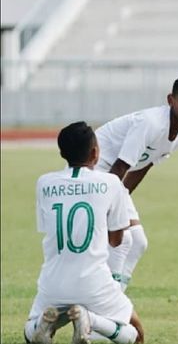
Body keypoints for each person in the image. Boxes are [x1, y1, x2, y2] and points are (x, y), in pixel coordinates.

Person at [24, 121, 145, 344]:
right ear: (95, 152)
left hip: (52, 282)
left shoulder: (44, 183)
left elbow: (47, 229)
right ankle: (91, 320)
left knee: (29, 332)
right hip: (94, 282)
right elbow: (117, 240)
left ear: (61, 152)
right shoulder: (111, 182)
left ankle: (41, 326)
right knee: (136, 333)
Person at [95, 76, 178, 290]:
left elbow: (141, 168)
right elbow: (120, 167)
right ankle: (107, 299)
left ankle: (115, 296)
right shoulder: (151, 123)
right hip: (97, 171)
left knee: (138, 242)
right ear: (170, 100)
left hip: (113, 181)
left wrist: (123, 200)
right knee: (123, 239)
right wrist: (108, 208)